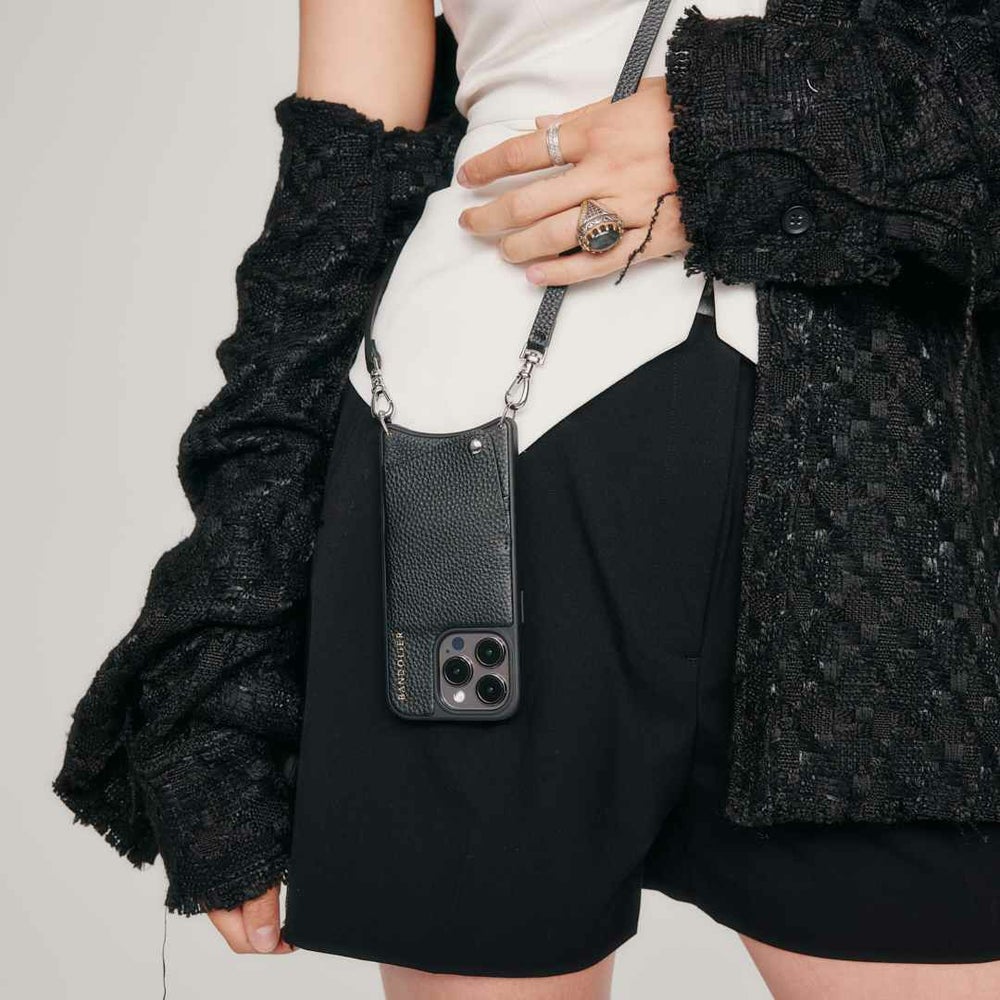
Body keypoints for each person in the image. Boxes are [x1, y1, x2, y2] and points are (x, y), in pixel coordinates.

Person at [53, 1, 1000, 998]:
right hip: (472, 462)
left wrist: (750, 127)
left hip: (885, 497)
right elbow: (337, 193)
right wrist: (232, 631)